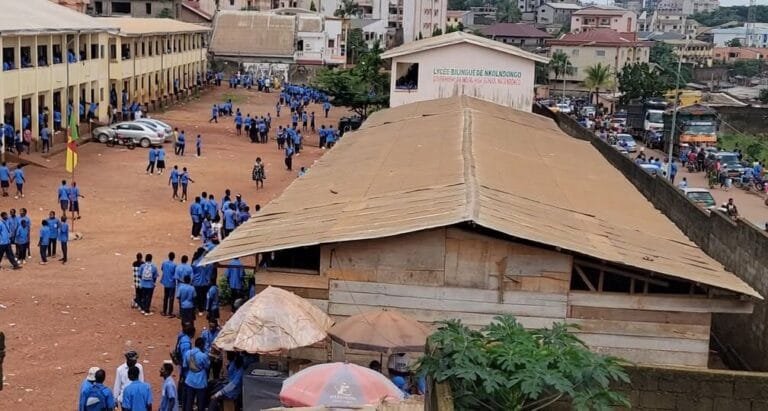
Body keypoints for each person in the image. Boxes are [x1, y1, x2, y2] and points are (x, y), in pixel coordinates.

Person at [183, 338, 210, 411]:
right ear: (201, 345)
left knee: (189, 402)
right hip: (200, 382)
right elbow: (207, 366)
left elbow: (185, 366)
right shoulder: (203, 356)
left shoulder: (188, 353)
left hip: (189, 380)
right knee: (201, 404)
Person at [161, 252, 177, 317]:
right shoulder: (174, 265)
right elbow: (175, 273)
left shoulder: (164, 263)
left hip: (166, 282)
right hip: (172, 283)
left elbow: (162, 269)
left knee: (166, 297)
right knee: (171, 298)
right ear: (174, 257)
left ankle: (164, 311)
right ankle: (170, 312)